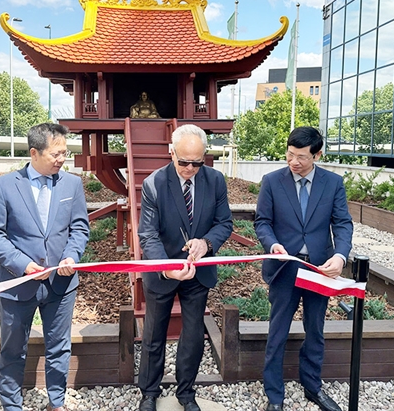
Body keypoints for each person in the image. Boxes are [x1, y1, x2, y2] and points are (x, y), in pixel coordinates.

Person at [0, 123, 89, 411]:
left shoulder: (72, 184)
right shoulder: (4, 186)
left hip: (61, 284)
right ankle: (12, 405)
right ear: (34, 153)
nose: (62, 159)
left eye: (65, 153)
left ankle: (56, 402)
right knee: (13, 349)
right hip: (18, 284)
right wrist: (23, 264)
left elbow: (79, 228)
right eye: (56, 154)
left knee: (59, 347)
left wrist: (71, 256)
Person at [254, 126, 353, 411]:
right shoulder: (272, 181)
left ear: (317, 155)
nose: (293, 162)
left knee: (315, 329)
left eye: (301, 157)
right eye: (290, 155)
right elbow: (262, 222)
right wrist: (272, 244)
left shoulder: (333, 183)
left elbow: (342, 224)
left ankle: (313, 386)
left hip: (319, 268)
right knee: (277, 332)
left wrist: (340, 256)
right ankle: (275, 396)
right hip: (284, 267)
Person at [137, 124, 233, 411]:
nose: (190, 168)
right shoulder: (154, 183)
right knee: (154, 334)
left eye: (197, 162)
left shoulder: (215, 180)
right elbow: (148, 234)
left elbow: (224, 223)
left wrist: (206, 243)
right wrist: (167, 268)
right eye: (184, 162)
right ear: (171, 152)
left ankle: (186, 393)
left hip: (198, 271)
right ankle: (149, 392)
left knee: (192, 335)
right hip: (162, 270)